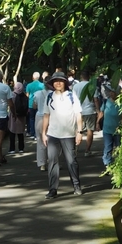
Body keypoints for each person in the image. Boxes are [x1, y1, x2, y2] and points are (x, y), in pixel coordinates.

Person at [42, 71, 83, 199]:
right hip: (53, 134)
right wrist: (43, 133)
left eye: (60, 81)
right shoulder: (49, 97)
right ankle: (52, 189)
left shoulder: (71, 96)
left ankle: (76, 186)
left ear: (65, 83)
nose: (58, 83)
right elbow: (46, 116)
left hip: (69, 134)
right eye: (55, 81)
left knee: (71, 161)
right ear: (52, 83)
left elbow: (78, 114)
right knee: (52, 162)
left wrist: (79, 132)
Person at [72, 70, 101, 156]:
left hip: (78, 111)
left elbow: (73, 99)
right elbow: (95, 99)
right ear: (89, 77)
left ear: (81, 76)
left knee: (77, 130)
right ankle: (87, 150)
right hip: (90, 111)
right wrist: (98, 110)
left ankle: (75, 149)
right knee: (90, 130)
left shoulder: (76, 86)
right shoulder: (92, 86)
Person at [98, 83, 122, 174]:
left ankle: (118, 165)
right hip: (107, 129)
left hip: (117, 130)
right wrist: (97, 123)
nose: (111, 94)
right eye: (110, 92)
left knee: (118, 148)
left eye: (113, 92)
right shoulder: (106, 102)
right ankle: (108, 166)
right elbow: (101, 113)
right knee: (108, 148)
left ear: (117, 93)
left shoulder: (121, 102)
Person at [32, 79, 50, 171]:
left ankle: (42, 164)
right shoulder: (53, 94)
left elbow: (34, 106)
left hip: (39, 117)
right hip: (51, 118)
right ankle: (53, 161)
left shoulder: (37, 93)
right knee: (52, 141)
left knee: (40, 140)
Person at [8, 82, 28, 154]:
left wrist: (13, 113)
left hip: (13, 116)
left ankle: (12, 149)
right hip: (22, 117)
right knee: (20, 133)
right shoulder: (24, 95)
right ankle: (21, 148)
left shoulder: (12, 95)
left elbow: (10, 105)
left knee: (12, 132)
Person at [25, 71, 45, 138]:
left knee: (31, 119)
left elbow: (27, 95)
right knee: (39, 120)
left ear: (33, 77)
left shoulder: (29, 85)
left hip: (31, 104)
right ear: (39, 77)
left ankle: (32, 133)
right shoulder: (42, 85)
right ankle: (37, 135)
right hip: (40, 104)